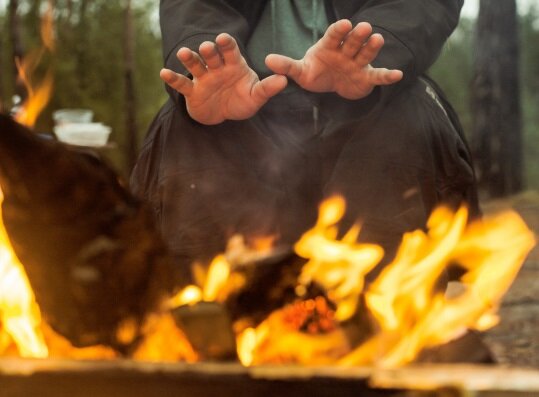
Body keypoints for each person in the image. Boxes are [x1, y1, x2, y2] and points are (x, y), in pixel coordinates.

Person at [130, 0, 479, 281]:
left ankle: (379, 338)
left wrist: (372, 48)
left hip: (372, 99)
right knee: (190, 128)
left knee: (403, 120)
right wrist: (207, 63)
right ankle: (211, 340)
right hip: (240, 104)